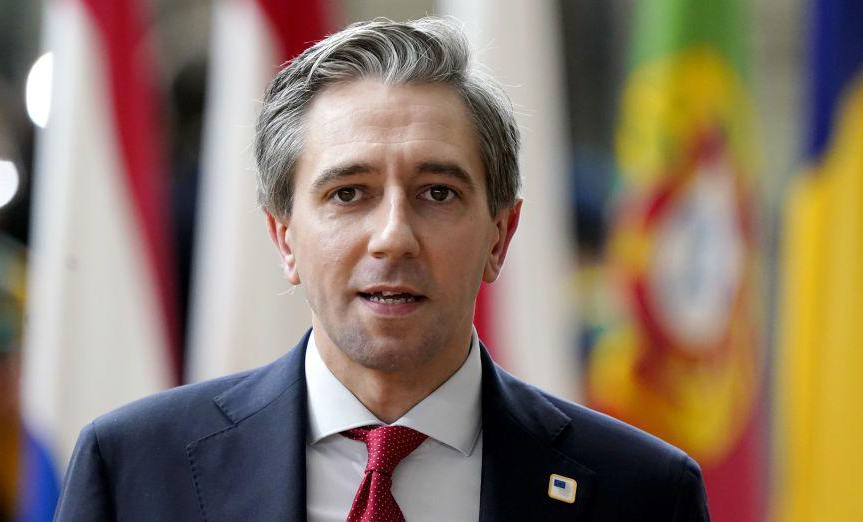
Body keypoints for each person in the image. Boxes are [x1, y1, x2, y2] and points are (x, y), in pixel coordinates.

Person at [55, 18, 710, 521]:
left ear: (500, 236)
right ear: (284, 238)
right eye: (349, 193)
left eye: (437, 193)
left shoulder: (644, 493)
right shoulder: (135, 470)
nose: (393, 237)